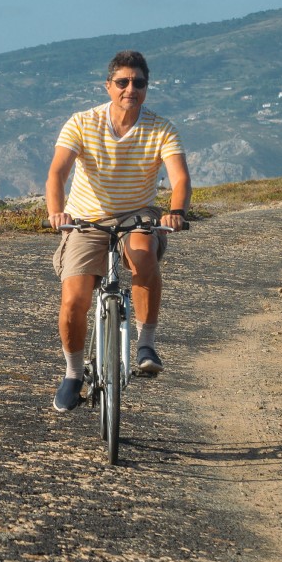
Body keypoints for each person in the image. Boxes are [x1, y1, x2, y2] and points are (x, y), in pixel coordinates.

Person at [43, 50, 191, 413]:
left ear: (146, 87)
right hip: (86, 220)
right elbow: (58, 173)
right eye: (122, 82)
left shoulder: (161, 128)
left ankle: (146, 344)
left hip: (136, 215)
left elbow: (180, 177)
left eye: (138, 83)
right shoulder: (82, 122)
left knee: (142, 256)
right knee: (74, 299)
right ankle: (73, 374)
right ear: (108, 86)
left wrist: (175, 212)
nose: (130, 89)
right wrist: (56, 213)